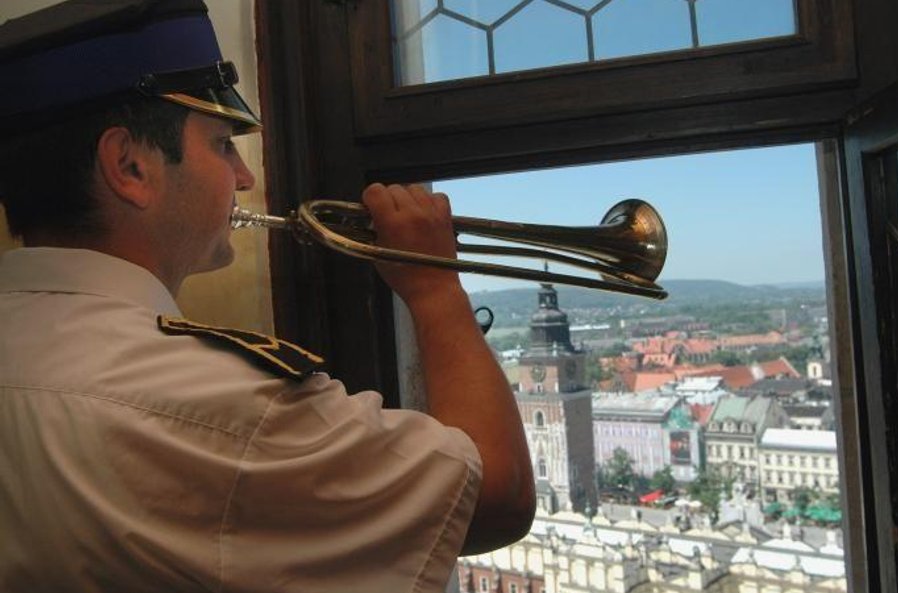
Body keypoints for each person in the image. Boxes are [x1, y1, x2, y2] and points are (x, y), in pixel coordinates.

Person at [0, 1, 535, 592]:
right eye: (224, 143)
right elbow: (498, 494)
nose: (245, 177)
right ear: (129, 165)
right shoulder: (222, 405)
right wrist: (435, 286)